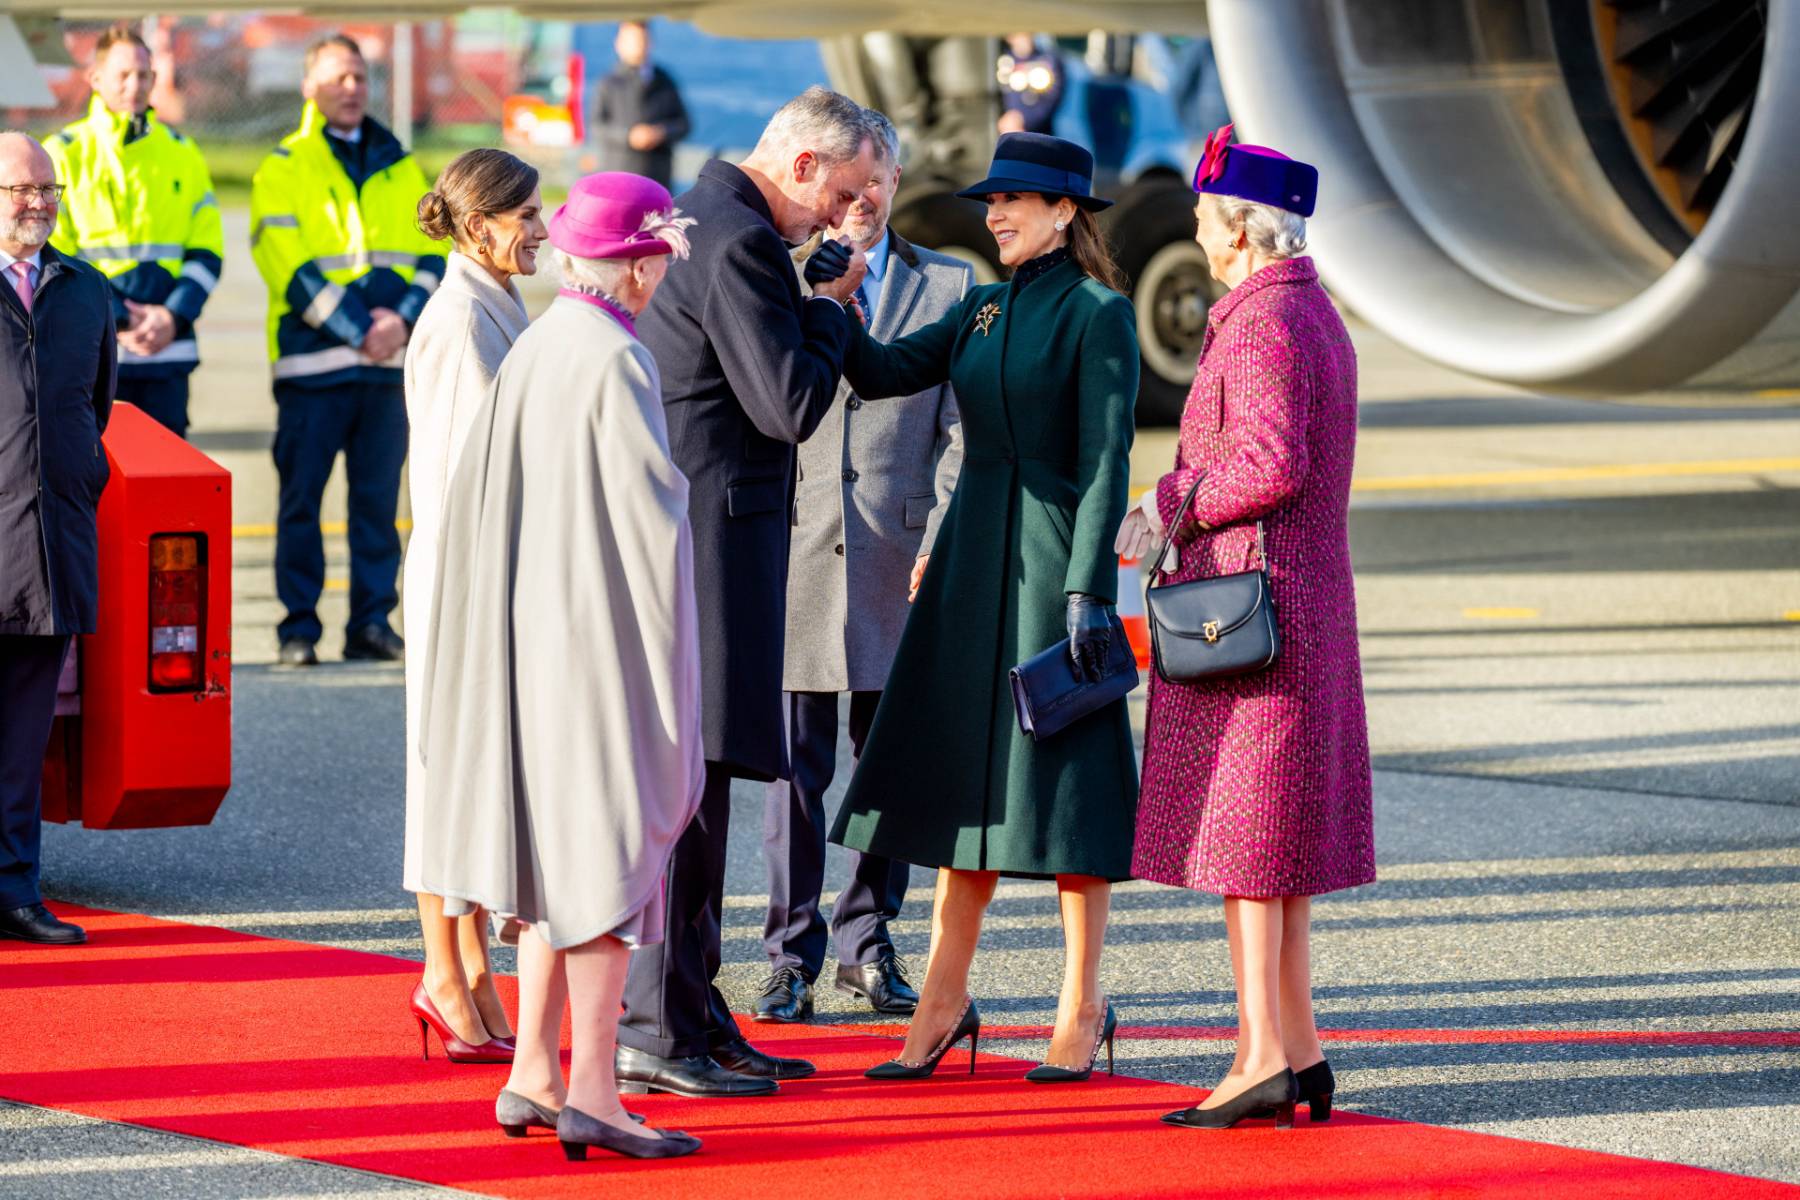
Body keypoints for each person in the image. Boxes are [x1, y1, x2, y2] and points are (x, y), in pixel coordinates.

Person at [828, 131, 1140, 1083]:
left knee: (1063, 794)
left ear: (1067, 213)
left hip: (1053, 571)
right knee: (970, 793)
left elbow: (1105, 463)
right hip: (971, 569)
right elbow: (881, 374)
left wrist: (1090, 587)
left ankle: (1082, 1006)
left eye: (1017, 199)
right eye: (992, 199)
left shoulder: (1101, 314)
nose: (996, 213)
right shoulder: (982, 309)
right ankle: (941, 1001)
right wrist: (832, 303)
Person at [417, 172, 703, 1161]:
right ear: (634, 265)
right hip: (592, 652)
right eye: (660, 254)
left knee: (551, 871)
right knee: (609, 861)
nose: (666, 272)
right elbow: (647, 527)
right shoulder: (615, 358)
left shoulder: (539, 343)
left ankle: (531, 1071)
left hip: (526, 647)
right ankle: (592, 1089)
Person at [615, 86, 875, 1099]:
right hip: (712, 545)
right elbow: (790, 405)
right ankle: (657, 1021)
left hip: (702, 535)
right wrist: (830, 308)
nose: (838, 216)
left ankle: (691, 1001)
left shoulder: (705, 215)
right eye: (841, 191)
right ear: (803, 166)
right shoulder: (740, 240)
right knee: (692, 793)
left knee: (703, 788)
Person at [1119, 126, 1374, 1130]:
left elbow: (1268, 464)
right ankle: (1299, 1050)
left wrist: (1170, 497)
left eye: (1203, 221)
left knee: (1251, 854)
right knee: (1279, 855)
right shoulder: (1310, 314)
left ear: (1242, 232)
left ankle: (1261, 1054)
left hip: (1257, 622)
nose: (1196, 236)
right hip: (1295, 605)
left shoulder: (1263, 326)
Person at [755, 110, 972, 1025]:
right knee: (792, 775)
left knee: (887, 769)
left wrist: (940, 539)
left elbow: (965, 432)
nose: (866, 201)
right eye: (856, 183)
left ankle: (868, 943)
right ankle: (788, 953)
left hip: (900, 556)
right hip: (799, 552)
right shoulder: (780, 272)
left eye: (881, 182)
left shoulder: (950, 285)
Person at [400, 148, 546, 1062]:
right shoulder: (461, 321)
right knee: (445, 781)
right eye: (526, 214)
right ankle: (444, 976)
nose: (542, 227)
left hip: (481, 582)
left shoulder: (490, 302)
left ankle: (467, 976)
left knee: (463, 782)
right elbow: (464, 487)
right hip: (465, 586)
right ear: (480, 225)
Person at [250, 33, 444, 668]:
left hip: (385, 368)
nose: (351, 87)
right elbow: (286, 262)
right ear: (310, 86)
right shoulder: (283, 166)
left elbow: (433, 254)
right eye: (337, 76)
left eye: (359, 76)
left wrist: (404, 321)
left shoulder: (402, 164)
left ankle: (370, 624)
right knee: (301, 504)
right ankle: (297, 629)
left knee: (377, 506)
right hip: (314, 368)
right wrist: (361, 326)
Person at [0, 132, 116, 947]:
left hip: (48, 547)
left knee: (23, 737)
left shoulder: (86, 292)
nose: (37, 202)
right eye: (19, 189)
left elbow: (94, 411)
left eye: (49, 188)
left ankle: (15, 890)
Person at [45, 23, 223, 440]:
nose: (134, 85)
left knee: (168, 489)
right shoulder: (63, 153)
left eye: (144, 75)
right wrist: (119, 317)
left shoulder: (183, 153)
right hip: (92, 355)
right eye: (123, 74)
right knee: (92, 486)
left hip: (168, 352)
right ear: (95, 79)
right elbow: (56, 253)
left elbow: (207, 249)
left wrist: (173, 314)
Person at [592, 20, 689, 189]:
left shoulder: (664, 80)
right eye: (631, 40)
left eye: (642, 39)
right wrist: (629, 136)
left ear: (650, 42)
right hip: (620, 176)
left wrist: (660, 133)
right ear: (619, 44)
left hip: (657, 177)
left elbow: (683, 124)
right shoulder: (608, 82)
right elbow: (597, 126)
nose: (638, 45)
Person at [997, 34, 1064, 135]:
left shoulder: (1047, 61)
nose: (1025, 37)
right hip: (1008, 134)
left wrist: (1022, 120)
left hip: (1039, 135)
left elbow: (1050, 101)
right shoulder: (1003, 62)